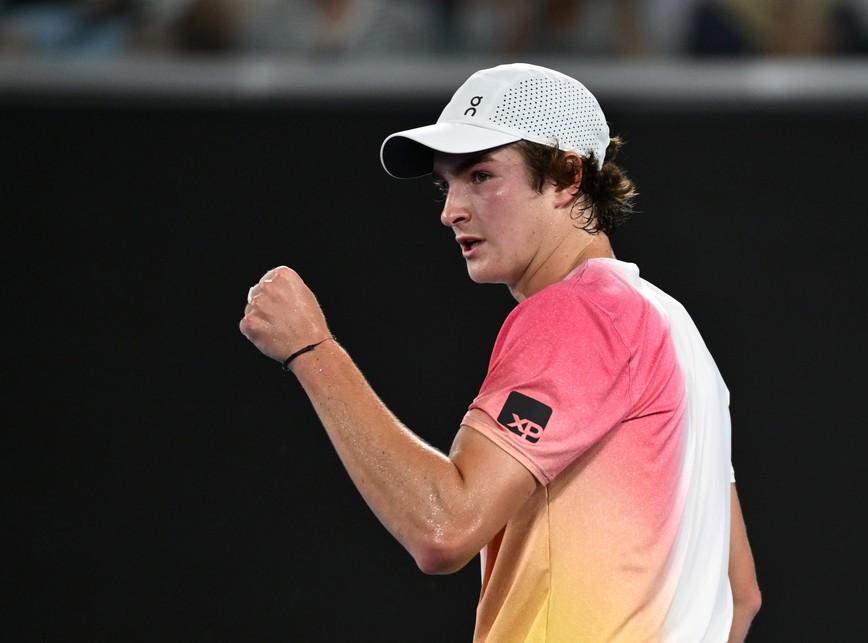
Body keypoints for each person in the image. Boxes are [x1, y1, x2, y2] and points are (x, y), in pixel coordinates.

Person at [239, 63, 760, 642]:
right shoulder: (678, 332)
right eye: (447, 184)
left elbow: (446, 527)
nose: (450, 209)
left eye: (481, 176)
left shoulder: (579, 313)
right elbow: (740, 594)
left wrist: (312, 350)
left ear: (567, 178)